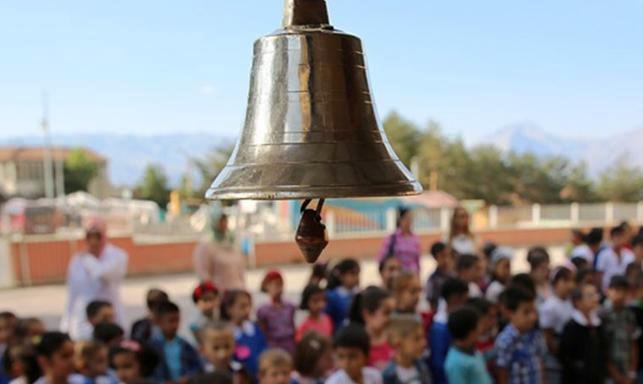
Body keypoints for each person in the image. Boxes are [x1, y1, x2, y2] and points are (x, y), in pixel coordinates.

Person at [61, 218, 128, 340]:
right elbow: (73, 292)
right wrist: (66, 323)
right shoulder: (77, 259)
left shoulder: (117, 256)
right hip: (84, 318)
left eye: (97, 235)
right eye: (90, 236)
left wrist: (89, 259)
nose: (93, 240)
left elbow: (103, 274)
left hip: (109, 315)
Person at [495, 286, 546, 384]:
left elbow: (541, 364)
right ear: (510, 313)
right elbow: (502, 373)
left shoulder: (536, 335)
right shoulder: (505, 341)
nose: (533, 317)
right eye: (526, 312)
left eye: (533, 311)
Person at [558, 283, 606, 384]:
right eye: (590, 296)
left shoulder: (598, 323)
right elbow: (565, 357)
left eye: (595, 295)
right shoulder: (571, 326)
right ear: (577, 302)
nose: (595, 299)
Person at [149, 301, 203, 382]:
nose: (175, 325)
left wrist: (188, 378)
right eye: (171, 321)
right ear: (159, 322)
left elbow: (197, 366)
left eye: (177, 320)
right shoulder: (152, 346)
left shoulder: (185, 345)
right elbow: (149, 371)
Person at [429, 278, 469, 384]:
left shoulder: (455, 320)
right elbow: (438, 363)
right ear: (455, 298)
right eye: (465, 299)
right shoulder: (439, 329)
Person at [538, 267, 574, 384]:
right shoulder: (550, 306)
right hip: (556, 359)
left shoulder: (570, 302)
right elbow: (548, 336)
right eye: (566, 281)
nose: (570, 285)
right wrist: (561, 355)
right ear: (557, 283)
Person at [193, 209, 245, 290]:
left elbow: (240, 270)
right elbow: (203, 273)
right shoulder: (206, 245)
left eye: (225, 221)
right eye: (221, 221)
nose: (224, 224)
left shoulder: (231, 241)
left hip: (237, 291)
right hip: (219, 293)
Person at [601, 275, 640, 384]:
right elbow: (602, 349)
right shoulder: (602, 316)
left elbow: (634, 343)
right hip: (608, 374)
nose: (621, 295)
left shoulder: (630, 315)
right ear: (608, 291)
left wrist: (632, 372)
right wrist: (616, 375)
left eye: (624, 291)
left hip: (627, 370)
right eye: (617, 290)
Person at [221, 289, 266, 380]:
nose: (247, 310)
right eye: (242, 306)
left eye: (249, 305)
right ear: (229, 309)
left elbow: (265, 349)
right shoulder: (226, 334)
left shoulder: (255, 328)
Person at [348, 286, 395, 370]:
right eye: (386, 313)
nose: (391, 317)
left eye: (393, 312)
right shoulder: (357, 345)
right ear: (367, 315)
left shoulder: (394, 339)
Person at [444, 306, 493, 384]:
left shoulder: (471, 349)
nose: (481, 329)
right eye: (478, 325)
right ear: (471, 332)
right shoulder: (455, 364)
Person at [381, 315, 430, 384]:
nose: (424, 343)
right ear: (398, 343)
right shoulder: (388, 375)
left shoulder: (422, 367)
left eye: (423, 337)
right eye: (417, 339)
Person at [257, 270, 296, 355]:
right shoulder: (263, 310)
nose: (278, 288)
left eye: (280, 284)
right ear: (266, 286)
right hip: (274, 349)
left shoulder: (290, 306)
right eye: (274, 284)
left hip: (290, 347)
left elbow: (293, 327)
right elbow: (263, 333)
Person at [378, 208, 421, 274]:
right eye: (407, 218)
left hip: (412, 275)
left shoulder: (415, 237)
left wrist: (418, 274)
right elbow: (381, 258)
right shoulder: (392, 237)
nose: (409, 221)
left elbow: (417, 259)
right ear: (400, 219)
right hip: (397, 276)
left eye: (411, 218)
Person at [596, 225, 636, 293]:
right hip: (607, 289)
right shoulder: (603, 254)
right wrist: (600, 290)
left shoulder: (629, 255)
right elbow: (599, 274)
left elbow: (631, 273)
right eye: (617, 237)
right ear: (612, 238)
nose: (619, 240)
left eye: (621, 237)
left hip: (624, 289)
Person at [326, 259, 361, 331]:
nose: (356, 277)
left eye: (358, 274)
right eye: (352, 274)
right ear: (341, 276)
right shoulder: (332, 296)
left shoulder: (359, 294)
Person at [466, 297, 497, 377]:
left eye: (495, 317)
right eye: (490, 317)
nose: (494, 321)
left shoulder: (495, 339)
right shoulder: (469, 345)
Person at [426, 241, 454, 310]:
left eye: (448, 256)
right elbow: (432, 304)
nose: (446, 260)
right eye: (442, 256)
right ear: (435, 257)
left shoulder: (454, 276)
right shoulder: (432, 280)